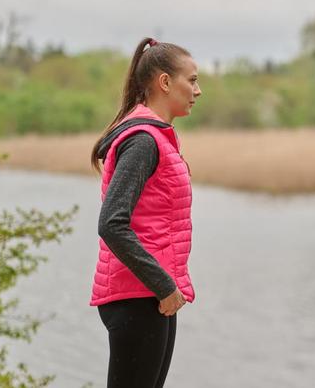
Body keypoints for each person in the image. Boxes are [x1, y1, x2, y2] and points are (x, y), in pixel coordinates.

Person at [89, 37, 201, 387]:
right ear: (165, 82)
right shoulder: (143, 141)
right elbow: (111, 223)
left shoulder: (159, 138)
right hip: (139, 295)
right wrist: (163, 284)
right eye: (192, 79)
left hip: (153, 295)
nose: (198, 90)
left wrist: (165, 289)